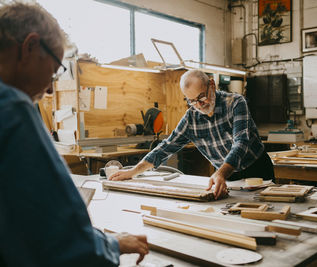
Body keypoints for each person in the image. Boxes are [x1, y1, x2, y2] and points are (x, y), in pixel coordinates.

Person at [0, 3, 148, 266]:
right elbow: (69, 241)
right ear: (30, 47)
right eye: (55, 70)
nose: (49, 90)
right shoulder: (11, 106)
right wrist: (112, 243)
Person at [110, 69, 275, 199]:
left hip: (257, 169)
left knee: (266, 212)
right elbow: (165, 147)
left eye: (202, 97)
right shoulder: (191, 118)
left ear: (212, 85)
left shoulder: (235, 103)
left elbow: (241, 142)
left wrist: (220, 173)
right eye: (192, 101)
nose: (199, 105)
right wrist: (133, 171)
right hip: (227, 177)